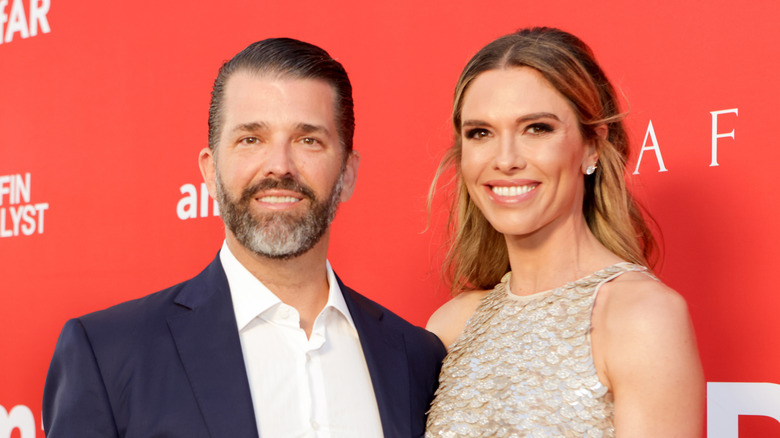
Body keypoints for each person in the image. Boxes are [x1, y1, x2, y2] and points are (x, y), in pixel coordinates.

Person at [43, 37, 446, 438]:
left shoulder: (417, 358)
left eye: (309, 140)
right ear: (209, 171)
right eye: (251, 139)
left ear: (348, 173)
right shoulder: (107, 354)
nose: (279, 166)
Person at [425, 27, 703, 437]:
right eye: (480, 133)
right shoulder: (450, 326)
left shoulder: (641, 318)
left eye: (536, 128)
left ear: (592, 145)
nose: (505, 160)